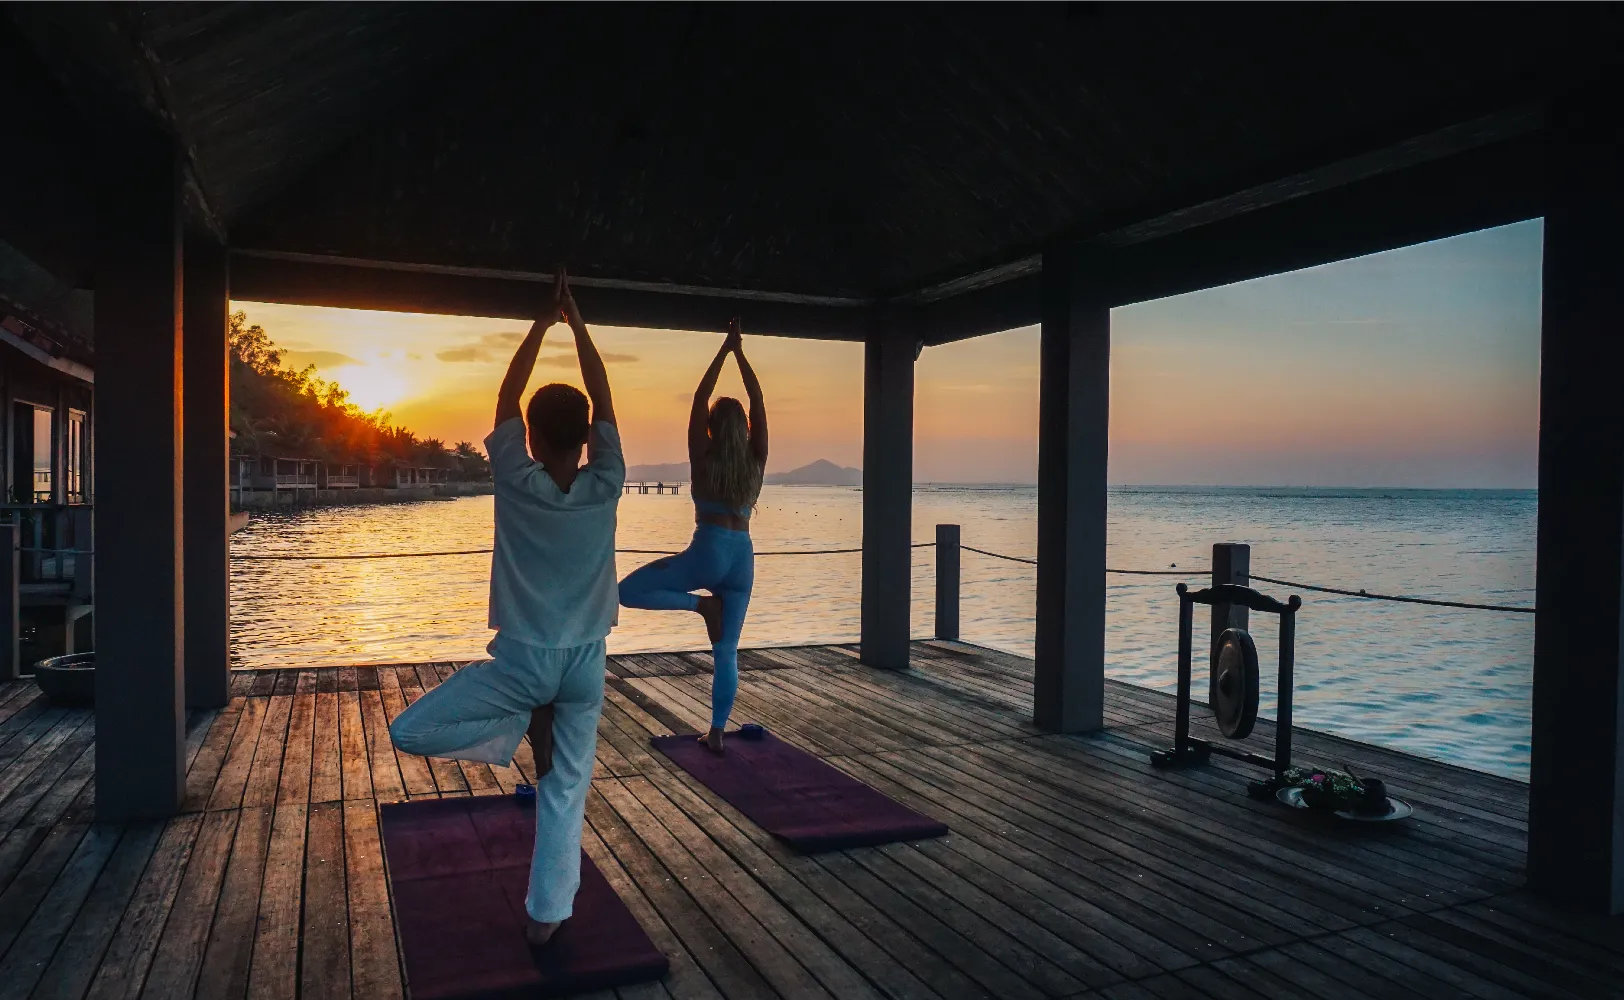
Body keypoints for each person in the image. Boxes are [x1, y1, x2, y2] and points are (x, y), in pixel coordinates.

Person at [388, 269, 622, 947]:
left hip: (521, 662)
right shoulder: (605, 483)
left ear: (532, 438)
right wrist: (577, 326)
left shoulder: (516, 482)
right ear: (584, 438)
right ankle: (546, 920)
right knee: (564, 792)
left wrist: (540, 324)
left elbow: (504, 397)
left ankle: (521, 723)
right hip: (583, 663)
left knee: (409, 733)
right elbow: (603, 399)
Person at [619, 318, 766, 753]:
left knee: (626, 591)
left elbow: (700, 399)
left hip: (710, 549)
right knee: (728, 652)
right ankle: (717, 731)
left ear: (711, 429)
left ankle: (699, 605)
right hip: (743, 555)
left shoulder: (703, 457)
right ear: (744, 430)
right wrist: (741, 354)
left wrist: (723, 351)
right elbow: (757, 401)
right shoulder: (756, 460)